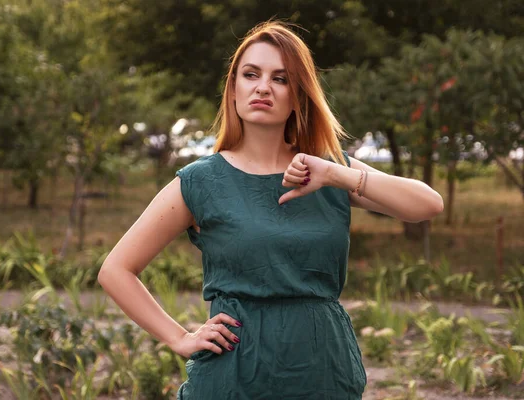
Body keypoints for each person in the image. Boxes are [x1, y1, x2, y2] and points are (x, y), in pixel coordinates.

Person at [98, 20, 444, 400]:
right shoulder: (200, 182)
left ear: (298, 96)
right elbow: (116, 270)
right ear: (233, 90)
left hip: (324, 374)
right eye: (251, 74)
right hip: (233, 378)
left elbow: (427, 205)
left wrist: (337, 175)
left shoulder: (326, 171)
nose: (263, 87)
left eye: (280, 79)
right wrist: (179, 336)